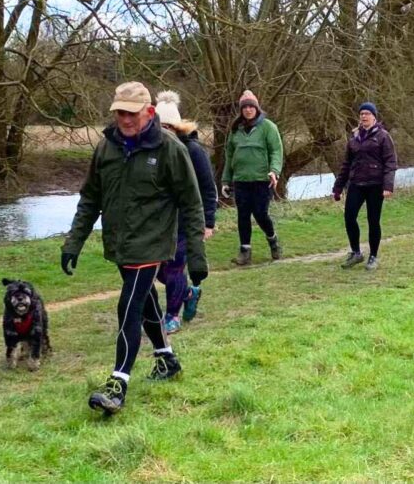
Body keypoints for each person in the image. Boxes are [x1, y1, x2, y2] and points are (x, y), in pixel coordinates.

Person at [61, 82, 207, 416]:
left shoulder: (170, 149)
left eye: (131, 113)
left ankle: (118, 383)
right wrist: (74, 242)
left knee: (128, 305)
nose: (124, 120)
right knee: (145, 302)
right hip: (120, 244)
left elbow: (192, 202)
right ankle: (166, 359)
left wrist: (196, 255)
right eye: (119, 113)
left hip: (153, 242)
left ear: (149, 112)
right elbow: (90, 198)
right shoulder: (106, 148)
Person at [154, 91, 217, 333]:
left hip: (185, 220)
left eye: (167, 125)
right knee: (159, 271)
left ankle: (172, 316)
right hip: (159, 221)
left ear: (177, 125)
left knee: (174, 268)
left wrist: (207, 222)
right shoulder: (152, 149)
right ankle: (188, 293)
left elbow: (208, 188)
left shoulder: (193, 150)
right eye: (159, 125)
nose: (163, 130)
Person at [332, 102, 397, 271]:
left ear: (374, 117)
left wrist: (388, 185)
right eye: (361, 114)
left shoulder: (383, 136)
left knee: (373, 221)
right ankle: (356, 253)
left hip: (376, 185)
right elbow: (346, 165)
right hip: (356, 184)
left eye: (367, 113)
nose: (364, 116)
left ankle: (373, 256)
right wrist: (338, 187)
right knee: (349, 217)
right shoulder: (354, 139)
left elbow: (390, 162)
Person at [221, 90, 284, 266]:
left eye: (251, 107)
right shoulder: (235, 130)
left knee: (260, 213)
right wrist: (226, 181)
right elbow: (229, 156)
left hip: (262, 179)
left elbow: (276, 151)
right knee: (243, 215)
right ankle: (245, 251)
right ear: (241, 110)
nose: (248, 110)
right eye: (245, 107)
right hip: (241, 180)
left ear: (257, 108)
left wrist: (274, 170)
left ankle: (273, 241)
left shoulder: (268, 127)